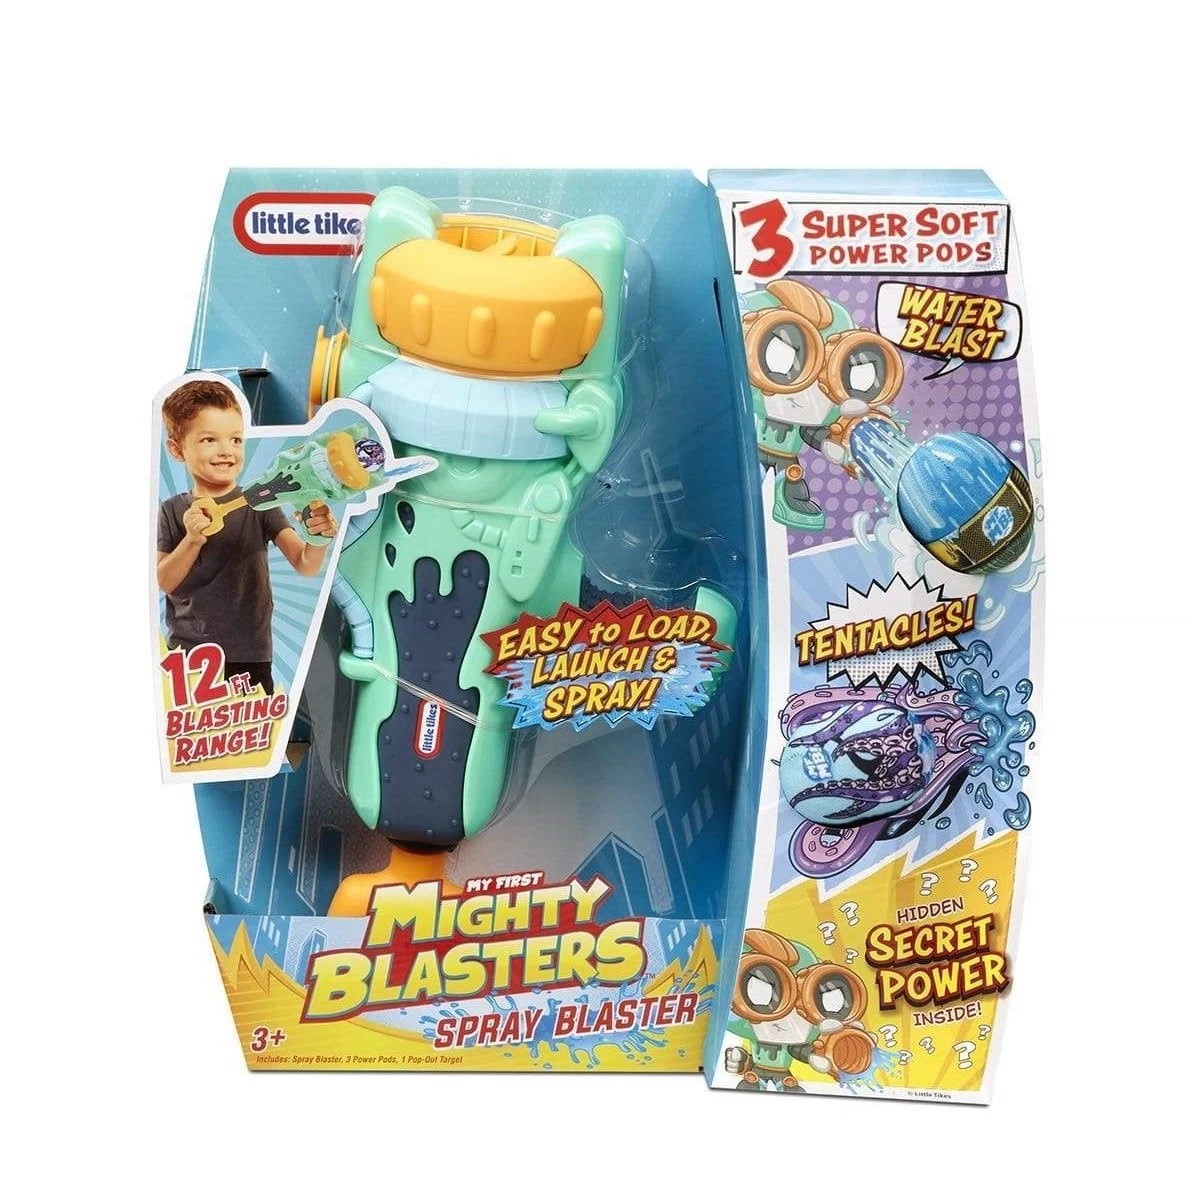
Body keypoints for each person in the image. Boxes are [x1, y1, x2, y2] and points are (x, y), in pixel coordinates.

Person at [156, 378, 336, 695]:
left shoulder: (260, 503)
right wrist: (192, 540)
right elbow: (164, 581)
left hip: (251, 656)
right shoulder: (171, 510)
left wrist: (318, 537)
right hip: (189, 656)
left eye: (236, 440)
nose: (227, 451)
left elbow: (305, 564)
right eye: (209, 439)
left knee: (257, 727)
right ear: (176, 449)